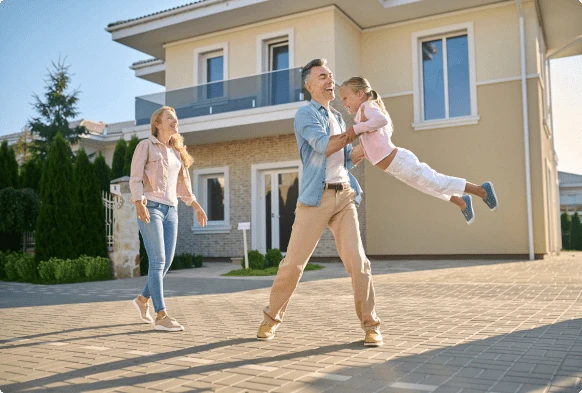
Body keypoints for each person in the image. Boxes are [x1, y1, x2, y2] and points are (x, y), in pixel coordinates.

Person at [257, 59, 383, 347]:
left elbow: (346, 157)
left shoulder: (338, 117)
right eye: (323, 76)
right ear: (309, 85)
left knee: (358, 261)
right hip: (315, 198)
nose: (331, 80)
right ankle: (270, 318)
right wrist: (358, 130)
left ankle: (371, 326)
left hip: (344, 196)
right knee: (293, 265)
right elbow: (325, 146)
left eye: (331, 75)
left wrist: (374, 144)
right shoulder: (305, 115)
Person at [339, 76, 498, 224]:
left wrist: (357, 129)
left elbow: (382, 119)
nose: (343, 103)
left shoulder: (367, 107)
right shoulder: (362, 116)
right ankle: (461, 201)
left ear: (360, 94)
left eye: (345, 98)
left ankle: (481, 190)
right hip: (395, 168)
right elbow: (366, 148)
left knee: (436, 181)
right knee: (428, 187)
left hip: (400, 162)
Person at [130, 106, 208, 332]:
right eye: (170, 118)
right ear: (157, 123)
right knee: (158, 260)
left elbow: (182, 186)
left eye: (176, 118)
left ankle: (142, 300)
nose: (175, 121)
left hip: (171, 210)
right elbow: (135, 178)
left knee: (166, 262)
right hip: (151, 206)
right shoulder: (145, 146)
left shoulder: (176, 152)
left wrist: (195, 205)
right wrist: (138, 202)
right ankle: (161, 315)